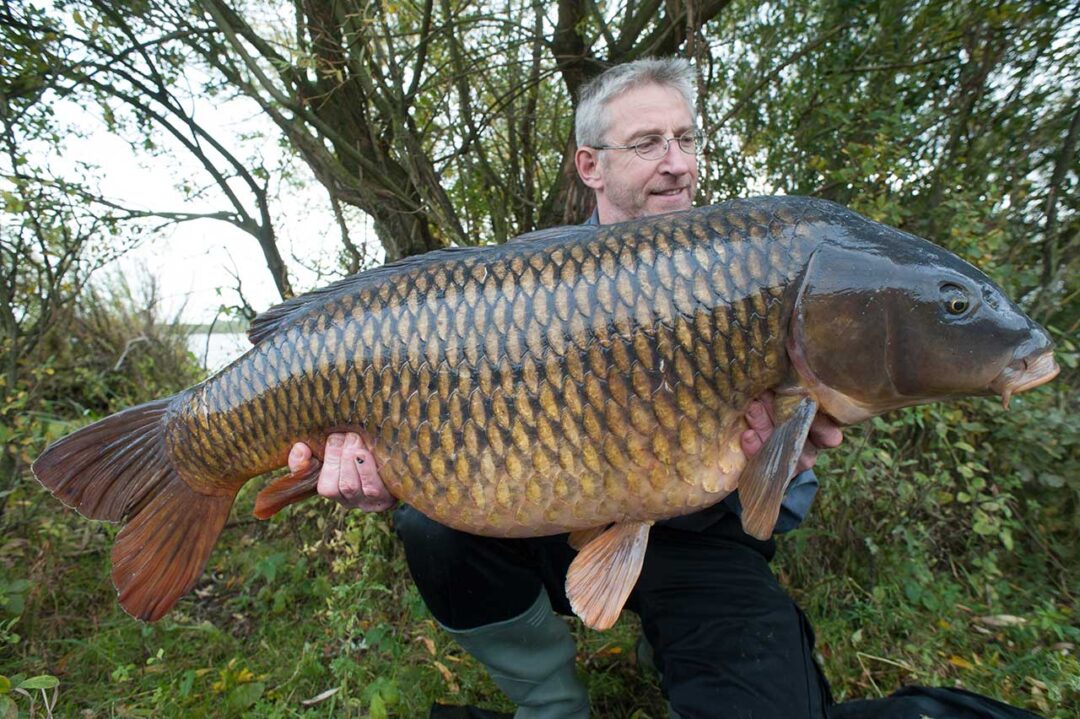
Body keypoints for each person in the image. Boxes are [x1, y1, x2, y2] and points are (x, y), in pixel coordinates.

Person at [288, 59, 1042, 719]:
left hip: (697, 540)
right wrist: (389, 471)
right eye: (648, 143)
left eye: (687, 139)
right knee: (430, 530)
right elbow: (445, 438)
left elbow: (765, 519)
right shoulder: (521, 282)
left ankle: (668, 639)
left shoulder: (758, 261)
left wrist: (777, 464)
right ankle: (549, 701)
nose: (677, 162)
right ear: (589, 166)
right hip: (538, 522)